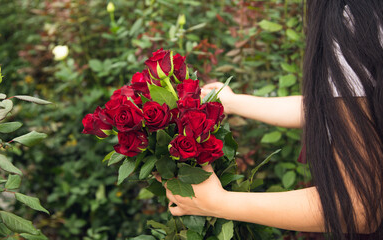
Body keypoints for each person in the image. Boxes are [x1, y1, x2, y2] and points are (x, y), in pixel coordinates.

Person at [157, 1, 383, 239]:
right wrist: (233, 102)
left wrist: (219, 202)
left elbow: (359, 206)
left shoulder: (355, 19)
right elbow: (341, 107)